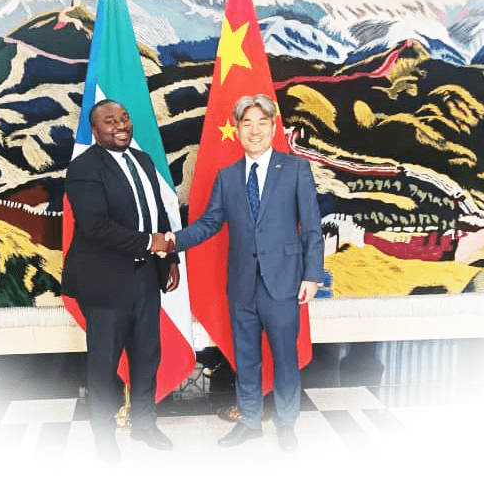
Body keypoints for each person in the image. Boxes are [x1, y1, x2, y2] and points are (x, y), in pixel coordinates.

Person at [166, 94, 324, 452]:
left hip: (284, 282)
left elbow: (312, 227)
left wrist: (312, 275)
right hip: (242, 284)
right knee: (246, 357)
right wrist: (172, 241)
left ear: (273, 127)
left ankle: (286, 423)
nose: (254, 131)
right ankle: (250, 421)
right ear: (237, 130)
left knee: (285, 357)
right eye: (247, 124)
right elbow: (208, 223)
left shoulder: (295, 170)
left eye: (261, 123)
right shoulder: (228, 177)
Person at [62, 99, 180, 463]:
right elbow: (95, 226)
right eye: (110, 121)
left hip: (145, 277)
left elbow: (158, 213)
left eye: (124, 118)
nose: (120, 125)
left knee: (146, 357)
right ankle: (104, 437)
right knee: (103, 366)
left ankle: (145, 424)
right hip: (105, 282)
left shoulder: (143, 161)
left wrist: (169, 259)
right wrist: (149, 243)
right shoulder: (84, 167)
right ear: (95, 131)